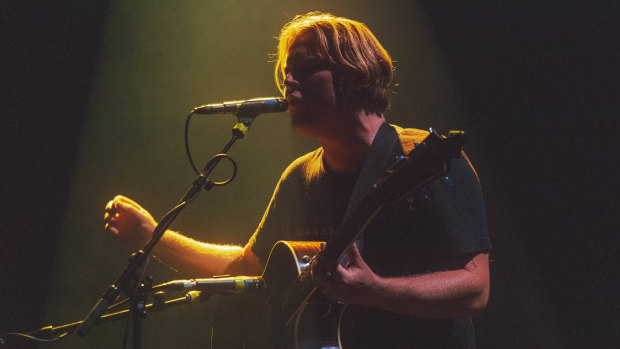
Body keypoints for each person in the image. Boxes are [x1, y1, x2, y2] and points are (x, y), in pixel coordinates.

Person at [104, 12, 490, 348]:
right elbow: (249, 266)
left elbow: (475, 290)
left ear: (352, 75)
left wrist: (375, 292)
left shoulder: (422, 158)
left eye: (303, 68)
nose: (288, 81)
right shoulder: (299, 177)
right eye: (286, 71)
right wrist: (151, 236)